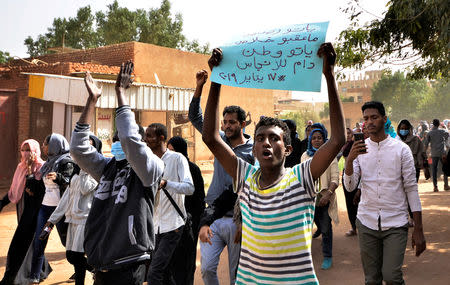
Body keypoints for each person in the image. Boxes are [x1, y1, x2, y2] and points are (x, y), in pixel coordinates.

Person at [201, 43, 345, 284]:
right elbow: (211, 138)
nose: (266, 143)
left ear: (288, 149)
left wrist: (329, 76)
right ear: (254, 150)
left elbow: (338, 139)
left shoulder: (302, 178)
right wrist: (216, 78)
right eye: (259, 138)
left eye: (274, 138)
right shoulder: (245, 176)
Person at [70, 65, 164, 285]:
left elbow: (130, 140)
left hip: (128, 264)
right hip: (101, 262)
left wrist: (121, 93)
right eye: (115, 137)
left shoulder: (150, 168)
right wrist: (92, 100)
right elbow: (77, 149)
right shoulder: (107, 168)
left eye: (120, 136)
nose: (117, 141)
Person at [344, 101, 426, 285]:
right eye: (366, 119)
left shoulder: (401, 150)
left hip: (395, 222)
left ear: (384, 119)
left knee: (391, 276)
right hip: (366, 222)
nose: (369, 122)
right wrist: (350, 160)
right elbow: (350, 187)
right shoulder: (359, 150)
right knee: (371, 279)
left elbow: (411, 189)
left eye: (374, 117)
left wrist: (419, 229)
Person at [189, 69, 254, 285]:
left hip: (240, 220)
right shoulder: (218, 141)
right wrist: (199, 87)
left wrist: (245, 221)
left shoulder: (255, 149)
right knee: (206, 269)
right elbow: (196, 117)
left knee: (237, 275)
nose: (227, 125)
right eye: (225, 121)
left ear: (242, 124)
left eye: (232, 122)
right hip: (214, 217)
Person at [41, 135, 101, 285]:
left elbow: (85, 188)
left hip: (84, 219)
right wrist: (51, 221)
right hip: (72, 219)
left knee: (76, 256)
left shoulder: (94, 173)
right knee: (71, 256)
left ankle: (97, 272)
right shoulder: (77, 171)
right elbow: (65, 199)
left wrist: (85, 169)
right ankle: (94, 272)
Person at [144, 123, 194, 285]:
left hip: (173, 225)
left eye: (150, 136)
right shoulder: (147, 161)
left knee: (154, 273)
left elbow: (189, 188)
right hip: (154, 227)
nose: (146, 139)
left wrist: (166, 184)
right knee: (164, 272)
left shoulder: (177, 158)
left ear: (161, 138)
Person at [0, 140, 51, 285]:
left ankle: (10, 277)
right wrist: (3, 203)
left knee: (19, 242)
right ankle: (42, 270)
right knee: (31, 241)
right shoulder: (19, 166)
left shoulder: (42, 167)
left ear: (36, 150)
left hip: (35, 210)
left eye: (29, 149)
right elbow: (14, 189)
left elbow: (37, 191)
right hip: (22, 207)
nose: (26, 153)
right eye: (23, 149)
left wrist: (30, 171)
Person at [29, 133, 76, 284]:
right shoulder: (48, 163)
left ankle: (81, 267)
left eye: (45, 143)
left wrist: (58, 177)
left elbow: (70, 183)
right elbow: (42, 184)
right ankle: (35, 275)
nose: (43, 146)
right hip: (45, 210)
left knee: (67, 242)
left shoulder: (66, 162)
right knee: (40, 239)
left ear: (54, 145)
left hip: (60, 211)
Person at [167, 136, 206, 285]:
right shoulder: (166, 169)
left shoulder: (193, 170)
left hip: (188, 225)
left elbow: (199, 200)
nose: (171, 156)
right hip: (169, 225)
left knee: (187, 265)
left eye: (173, 151)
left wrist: (194, 222)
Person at [301, 126, 339, 270]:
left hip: (324, 198)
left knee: (326, 229)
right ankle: (304, 258)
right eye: (314, 138)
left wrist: (328, 194)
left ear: (324, 139)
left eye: (320, 138)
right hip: (308, 198)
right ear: (310, 139)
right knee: (306, 228)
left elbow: (335, 178)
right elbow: (301, 176)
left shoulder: (330, 155)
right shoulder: (305, 155)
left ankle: (328, 256)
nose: (317, 140)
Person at [341, 128, 359, 236]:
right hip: (346, 173)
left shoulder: (356, 144)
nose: (347, 135)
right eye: (345, 133)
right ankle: (353, 226)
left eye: (349, 133)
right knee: (349, 202)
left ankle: (360, 225)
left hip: (357, 173)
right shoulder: (342, 146)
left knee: (357, 202)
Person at [425, 119, 449, 191]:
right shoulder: (442, 131)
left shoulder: (429, 133)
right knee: (445, 168)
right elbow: (447, 136)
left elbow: (426, 144)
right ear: (439, 124)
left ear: (433, 124)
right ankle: (446, 185)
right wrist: (444, 128)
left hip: (434, 153)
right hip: (442, 153)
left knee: (434, 169)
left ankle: (435, 187)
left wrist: (424, 153)